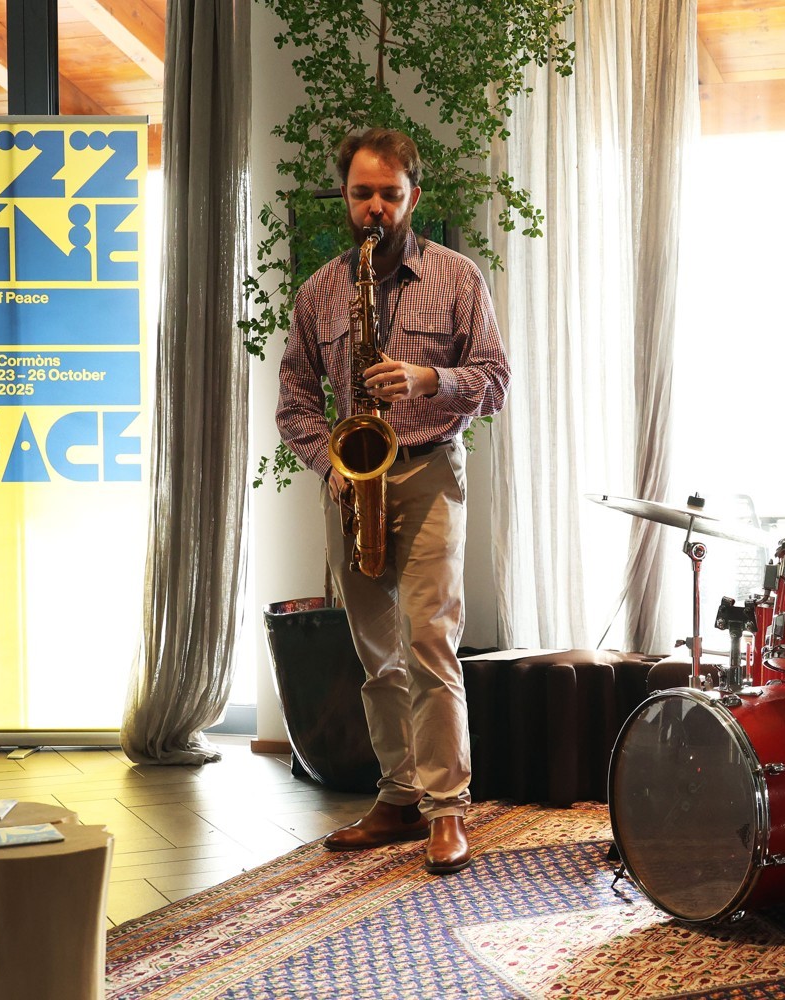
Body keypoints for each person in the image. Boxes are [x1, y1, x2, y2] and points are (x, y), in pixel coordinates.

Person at [276, 127, 510, 875]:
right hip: (354, 483)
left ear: (414, 195)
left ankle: (446, 809)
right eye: (361, 194)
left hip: (430, 469)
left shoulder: (458, 277)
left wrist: (427, 380)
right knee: (377, 655)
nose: (374, 208)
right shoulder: (320, 292)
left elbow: (495, 382)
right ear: (345, 197)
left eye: (389, 193)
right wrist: (330, 463)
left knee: (430, 643)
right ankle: (399, 794)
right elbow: (294, 404)